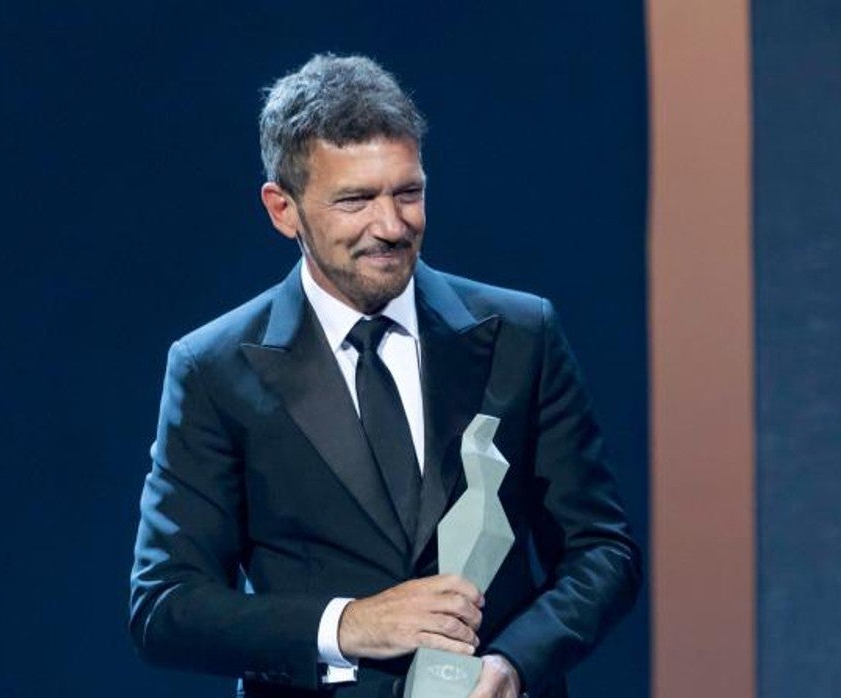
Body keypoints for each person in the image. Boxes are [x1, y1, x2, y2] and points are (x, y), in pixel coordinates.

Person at [129, 54, 641, 698]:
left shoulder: (521, 333)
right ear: (282, 210)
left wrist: (513, 665)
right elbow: (165, 607)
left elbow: (602, 553)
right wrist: (348, 624)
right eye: (356, 200)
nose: (392, 226)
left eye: (408, 192)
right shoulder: (214, 368)